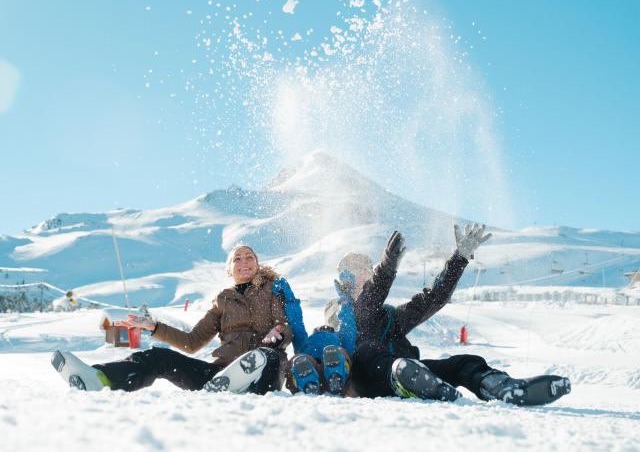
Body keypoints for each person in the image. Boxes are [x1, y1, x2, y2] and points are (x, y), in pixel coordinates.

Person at [331, 225, 572, 406]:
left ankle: (501, 387)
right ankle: (406, 376)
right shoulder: (338, 311)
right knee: (367, 351)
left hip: (411, 376)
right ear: (344, 281)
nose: (363, 276)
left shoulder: (390, 318)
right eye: (355, 273)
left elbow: (433, 299)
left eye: (366, 270)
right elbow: (363, 311)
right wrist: (385, 270)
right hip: (368, 381)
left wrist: (459, 259)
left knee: (463, 363)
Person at [51, 244, 292, 395]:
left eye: (249, 256)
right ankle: (101, 379)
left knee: (265, 356)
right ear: (230, 270)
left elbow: (287, 325)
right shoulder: (223, 301)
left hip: (264, 372)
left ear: (258, 264)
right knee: (158, 356)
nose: (244, 261)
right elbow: (192, 341)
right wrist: (154, 327)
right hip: (221, 375)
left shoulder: (274, 290)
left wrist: (279, 331)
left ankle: (242, 386)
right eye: (237, 259)